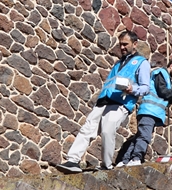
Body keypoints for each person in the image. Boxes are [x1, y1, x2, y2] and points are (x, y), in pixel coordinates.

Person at [58, 30, 150, 172]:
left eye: (125, 44)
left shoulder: (142, 63)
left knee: (107, 132)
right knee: (87, 129)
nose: (122, 47)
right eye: (120, 44)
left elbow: (145, 88)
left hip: (121, 103)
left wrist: (132, 90)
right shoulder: (118, 63)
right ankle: (73, 161)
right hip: (104, 101)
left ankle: (106, 166)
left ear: (135, 44)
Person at [116, 56, 172, 167]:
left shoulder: (166, 78)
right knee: (144, 136)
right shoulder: (161, 73)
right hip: (149, 111)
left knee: (140, 136)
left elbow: (163, 95)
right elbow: (163, 92)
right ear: (171, 66)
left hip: (151, 112)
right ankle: (136, 158)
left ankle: (125, 160)